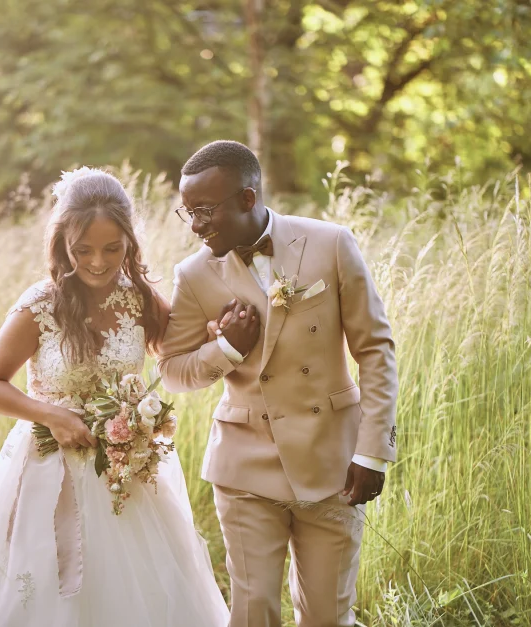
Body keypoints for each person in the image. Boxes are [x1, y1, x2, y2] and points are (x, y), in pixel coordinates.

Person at [0, 167, 229, 627]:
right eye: (83, 250)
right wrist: (51, 415)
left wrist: (213, 334)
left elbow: (175, 350)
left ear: (129, 242)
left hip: (125, 474)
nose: (98, 262)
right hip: (48, 467)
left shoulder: (139, 297)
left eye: (112, 248)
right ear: (62, 242)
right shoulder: (42, 305)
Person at [158, 140, 399, 627]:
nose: (197, 225)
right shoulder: (194, 274)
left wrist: (372, 452)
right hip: (244, 463)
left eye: (205, 210)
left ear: (248, 198)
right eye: (189, 212)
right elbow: (171, 370)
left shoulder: (331, 243)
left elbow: (375, 350)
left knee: (328, 617)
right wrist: (226, 350)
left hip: (332, 460)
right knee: (253, 614)